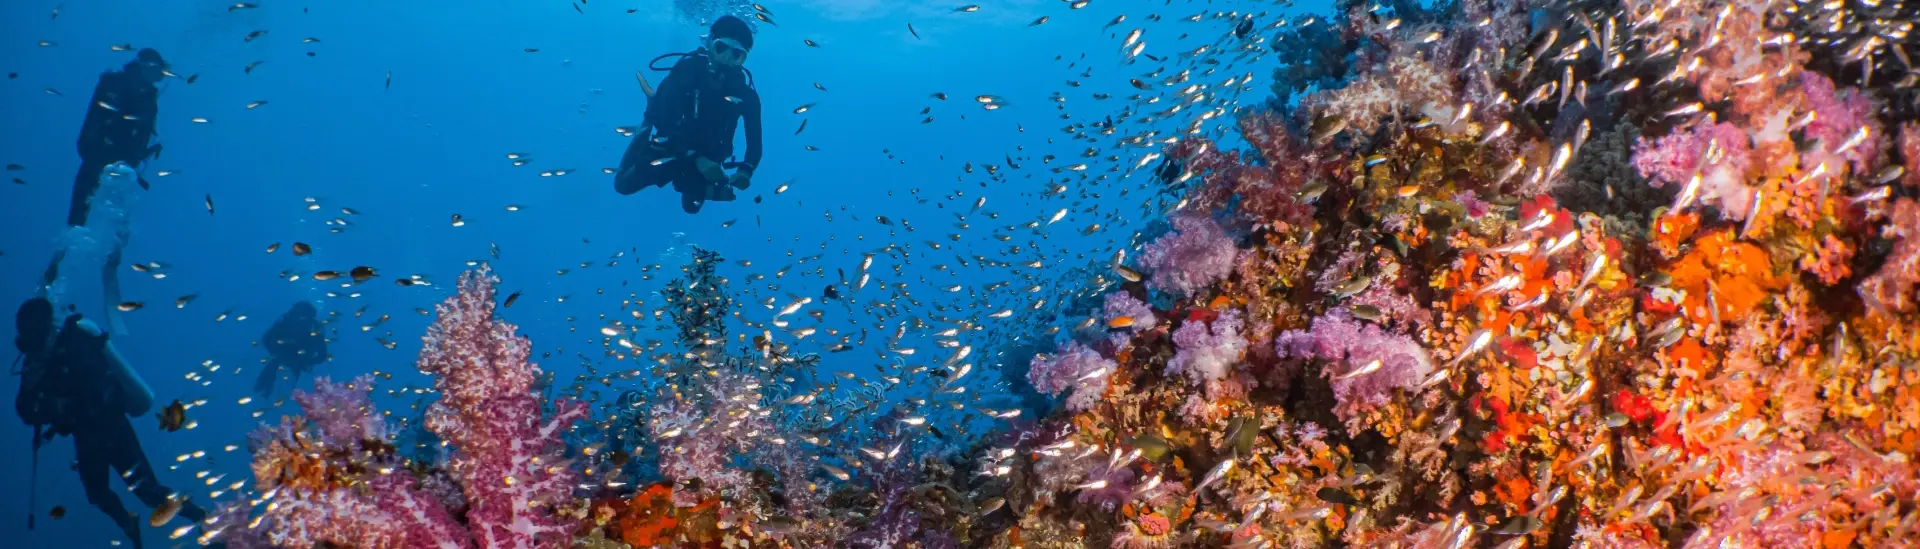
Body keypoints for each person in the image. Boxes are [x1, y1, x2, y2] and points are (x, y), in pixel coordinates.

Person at [14, 298, 206, 549]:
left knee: (147, 491)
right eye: (29, 341)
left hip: (112, 426)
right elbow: (25, 410)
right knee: (97, 495)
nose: (36, 347)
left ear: (49, 328)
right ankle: (129, 525)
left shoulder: (77, 342)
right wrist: (39, 396)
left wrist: (60, 406)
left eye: (38, 337)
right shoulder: (34, 362)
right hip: (84, 435)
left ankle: (202, 518)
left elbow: (95, 388)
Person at [39, 48, 167, 335]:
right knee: (79, 220)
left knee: (115, 219)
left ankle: (111, 257)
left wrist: (141, 154)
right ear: (146, 66)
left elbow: (136, 136)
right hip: (99, 162)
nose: (159, 78)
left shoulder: (147, 95)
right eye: (157, 71)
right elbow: (100, 128)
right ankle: (55, 275)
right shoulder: (118, 85)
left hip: (122, 169)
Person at [615, 15, 763, 213]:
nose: (727, 59)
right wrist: (696, 159)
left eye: (737, 55)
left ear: (743, 59)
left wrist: (746, 171)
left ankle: (691, 179)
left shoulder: (746, 95)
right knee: (623, 185)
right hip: (673, 144)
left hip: (710, 155)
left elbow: (755, 144)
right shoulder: (686, 71)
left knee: (691, 207)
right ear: (710, 43)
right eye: (721, 48)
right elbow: (667, 122)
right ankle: (647, 119)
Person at [253, 301, 329, 396]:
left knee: (289, 391)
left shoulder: (314, 326)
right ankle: (264, 394)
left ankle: (268, 395)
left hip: (296, 361)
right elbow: (267, 339)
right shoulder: (286, 320)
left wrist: (307, 362)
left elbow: (322, 353)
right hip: (288, 358)